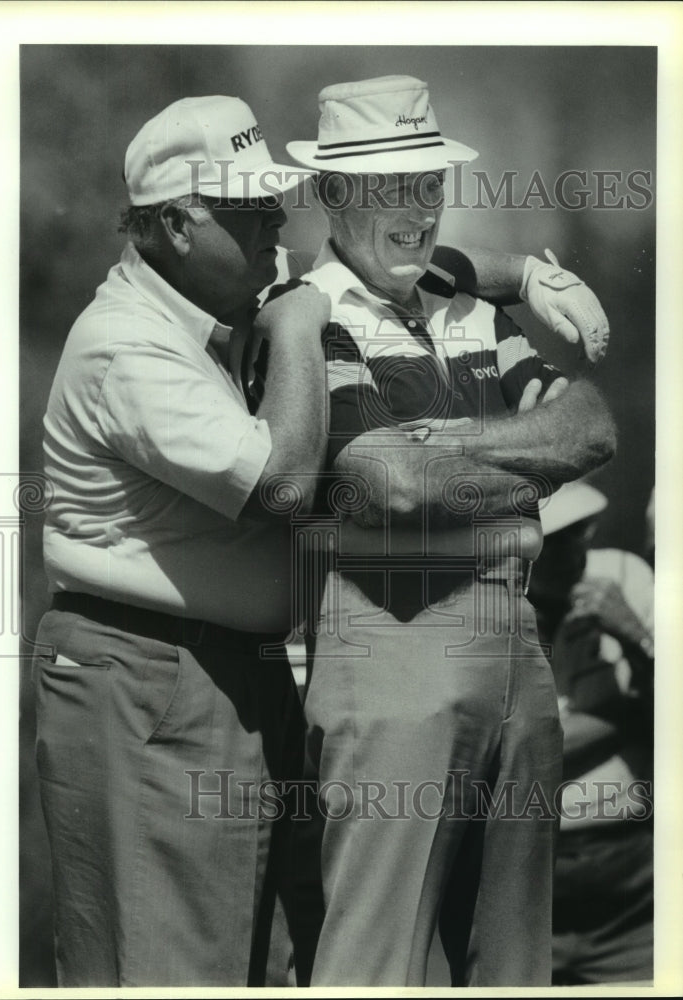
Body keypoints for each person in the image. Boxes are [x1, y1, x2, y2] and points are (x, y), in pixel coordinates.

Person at [30, 89, 612, 988]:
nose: (276, 219)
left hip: (245, 669)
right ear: (179, 225)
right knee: (174, 966)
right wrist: (511, 470)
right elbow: (325, 483)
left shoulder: (254, 290)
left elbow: (586, 426)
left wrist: (526, 278)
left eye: (274, 198)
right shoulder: (156, 337)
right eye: (252, 207)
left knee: (278, 956)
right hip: (148, 669)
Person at [286, 75, 617, 986]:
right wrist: (519, 456)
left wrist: (459, 443)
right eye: (390, 185)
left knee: (512, 962)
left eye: (428, 183)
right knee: (377, 961)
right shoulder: (308, 314)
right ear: (332, 195)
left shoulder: (470, 306)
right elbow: (387, 483)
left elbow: (589, 427)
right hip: (394, 633)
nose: (415, 209)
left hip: (516, 633)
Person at [530, 480, 654, 985]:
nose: (571, 549)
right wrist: (619, 720)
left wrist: (634, 635)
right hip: (531, 878)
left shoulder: (623, 575)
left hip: (628, 882)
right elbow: (506, 753)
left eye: (578, 531)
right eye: (552, 538)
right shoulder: (493, 607)